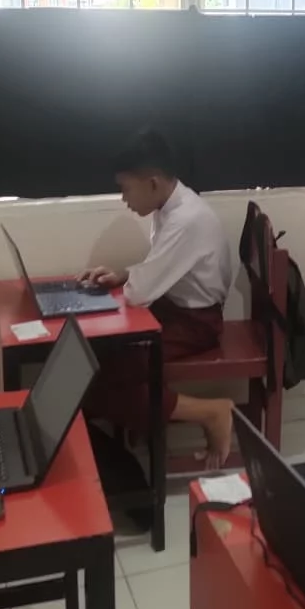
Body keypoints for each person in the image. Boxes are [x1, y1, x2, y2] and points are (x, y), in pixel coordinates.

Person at [80, 130, 236, 468]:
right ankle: (138, 433)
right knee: (101, 364)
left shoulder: (186, 219)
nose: (123, 199)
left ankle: (212, 411)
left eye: (125, 189)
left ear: (152, 183)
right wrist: (123, 275)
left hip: (196, 323)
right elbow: (159, 269)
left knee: (106, 378)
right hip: (174, 308)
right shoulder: (169, 207)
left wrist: (125, 286)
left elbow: (139, 294)